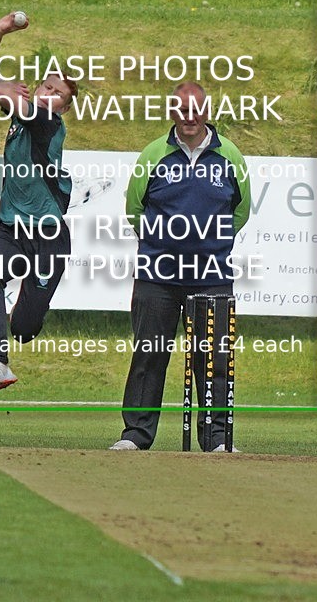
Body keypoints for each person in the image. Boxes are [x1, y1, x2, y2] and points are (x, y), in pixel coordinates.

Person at [110, 81, 251, 451]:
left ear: (207, 111)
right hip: (157, 275)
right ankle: (136, 434)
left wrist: (208, 244)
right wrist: (164, 245)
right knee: (149, 354)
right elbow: (135, 209)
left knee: (214, 359)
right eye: (182, 109)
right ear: (173, 112)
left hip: (212, 276)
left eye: (196, 109)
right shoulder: (154, 154)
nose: (189, 117)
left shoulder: (230, 156)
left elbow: (240, 210)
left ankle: (217, 439)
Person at [0, 12, 78, 391]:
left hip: (48, 237)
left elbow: (3, 93)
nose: (48, 93)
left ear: (64, 107)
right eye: (46, 86)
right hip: (11, 228)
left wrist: (3, 90)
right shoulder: (23, 116)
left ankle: (23, 319)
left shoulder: (48, 122)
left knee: (24, 328)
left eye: (58, 93)